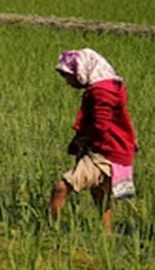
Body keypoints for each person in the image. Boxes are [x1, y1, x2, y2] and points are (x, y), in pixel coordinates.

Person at [48, 49, 138, 231]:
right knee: (99, 194)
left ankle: (51, 229)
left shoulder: (101, 92)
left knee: (61, 187)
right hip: (114, 148)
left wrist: (79, 141)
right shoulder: (110, 86)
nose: (68, 82)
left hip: (105, 151)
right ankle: (107, 235)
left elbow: (100, 125)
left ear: (81, 70)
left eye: (68, 76)